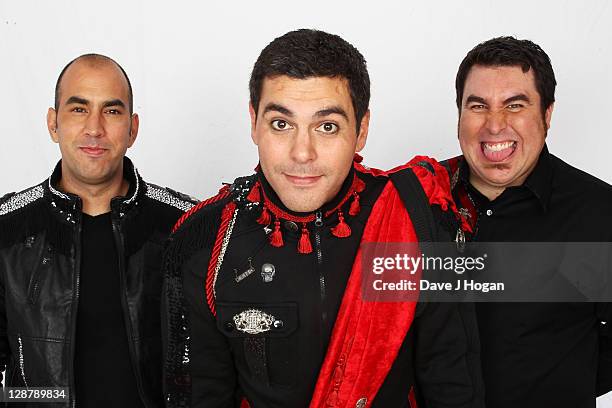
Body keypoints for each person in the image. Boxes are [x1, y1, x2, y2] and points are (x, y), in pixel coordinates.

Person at [163, 29, 484, 408]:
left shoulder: (416, 216)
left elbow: (452, 386)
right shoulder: (204, 237)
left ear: (360, 129)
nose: (302, 153)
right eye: (281, 124)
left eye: (327, 126)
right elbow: (199, 396)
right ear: (254, 123)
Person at [0, 54, 197, 407]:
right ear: (53, 123)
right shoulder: (7, 230)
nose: (94, 128)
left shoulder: (187, 227)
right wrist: (34, 401)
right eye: (78, 109)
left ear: (132, 128)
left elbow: (214, 366)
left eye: (112, 111)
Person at [444, 36, 612, 407]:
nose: (494, 125)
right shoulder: (414, 199)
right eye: (477, 106)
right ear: (459, 114)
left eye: (515, 105)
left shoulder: (600, 213)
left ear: (547, 114)